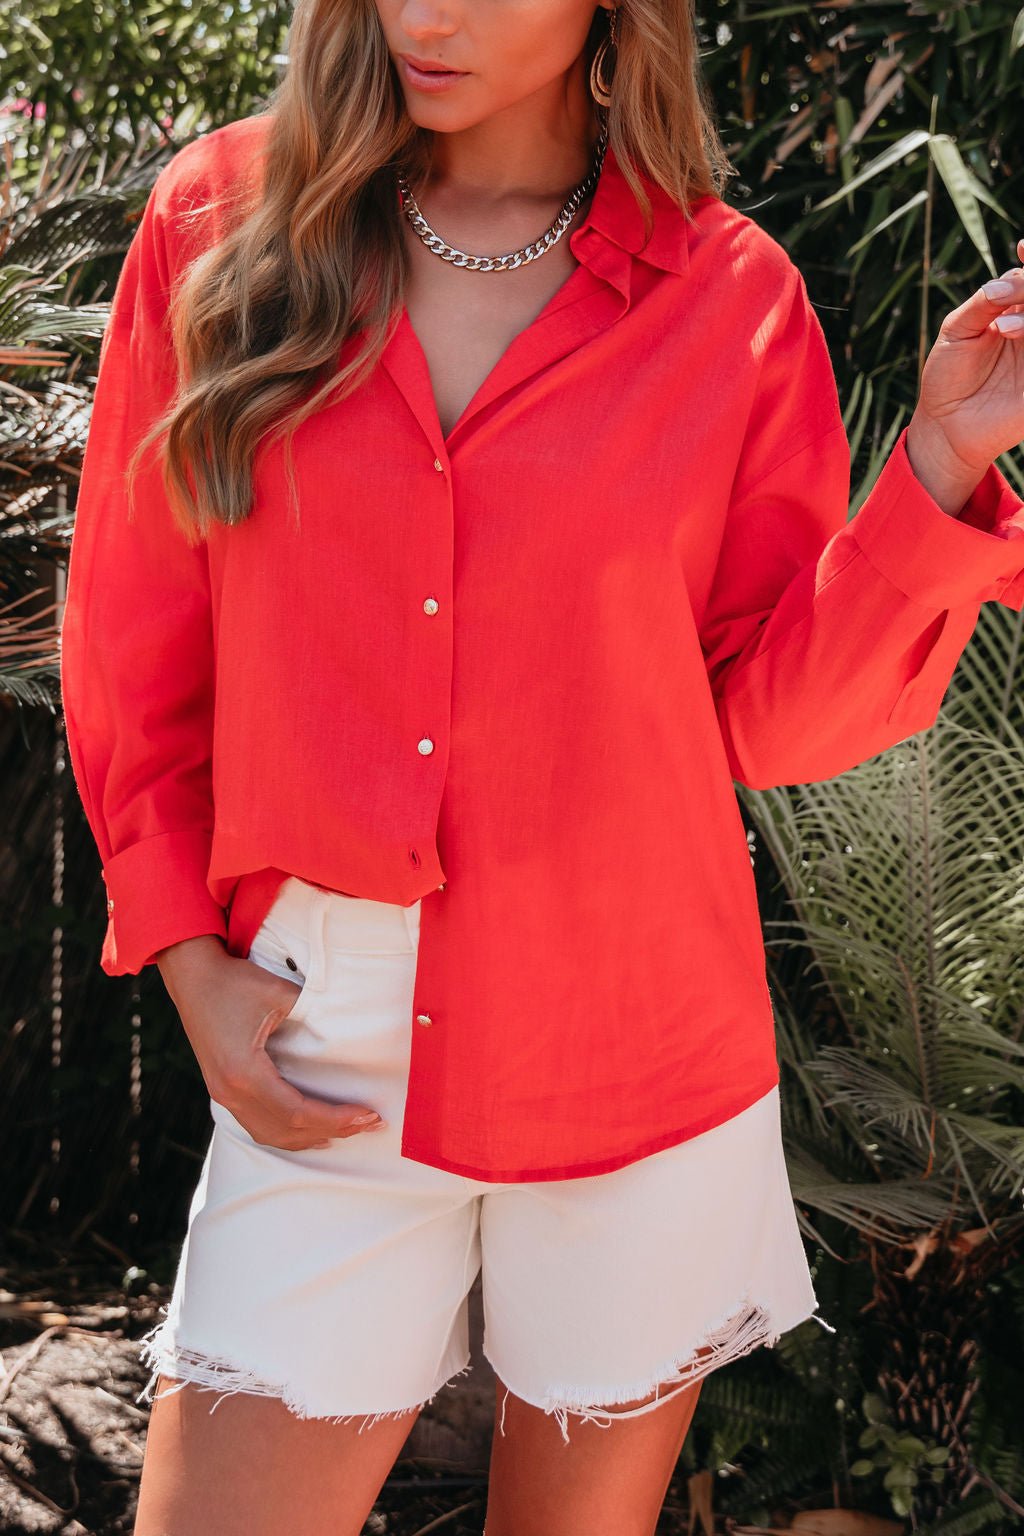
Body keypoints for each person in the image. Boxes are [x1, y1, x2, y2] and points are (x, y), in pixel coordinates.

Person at [59, 0, 1024, 1527]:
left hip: (633, 1039)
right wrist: (185, 956)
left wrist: (938, 472)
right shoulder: (221, 225)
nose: (425, 15)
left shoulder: (731, 297)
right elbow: (132, 637)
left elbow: (768, 722)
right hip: (322, 1043)